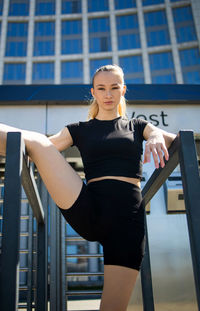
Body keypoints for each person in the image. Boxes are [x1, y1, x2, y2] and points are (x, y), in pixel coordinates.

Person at [0, 64, 176, 311]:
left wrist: (156, 133)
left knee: (112, 308)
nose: (108, 94)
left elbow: (176, 140)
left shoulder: (137, 126)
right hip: (88, 207)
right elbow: (39, 147)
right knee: (37, 142)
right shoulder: (79, 130)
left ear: (123, 90)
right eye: (101, 88)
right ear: (93, 92)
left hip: (127, 220)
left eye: (114, 87)